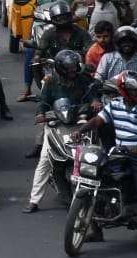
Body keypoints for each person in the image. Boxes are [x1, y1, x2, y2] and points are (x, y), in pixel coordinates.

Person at [70, 72, 137, 253]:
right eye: (135, 92)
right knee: (97, 181)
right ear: (124, 92)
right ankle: (96, 231)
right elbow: (97, 120)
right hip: (119, 153)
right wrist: (80, 131)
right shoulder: (114, 105)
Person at [24, 48, 97, 212]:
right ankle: (34, 201)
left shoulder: (83, 78)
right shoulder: (51, 82)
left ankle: (96, 195)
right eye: (70, 68)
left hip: (79, 122)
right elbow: (43, 101)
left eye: (75, 67)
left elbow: (92, 92)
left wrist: (94, 102)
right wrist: (40, 114)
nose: (73, 70)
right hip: (56, 124)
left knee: (93, 155)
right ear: (61, 69)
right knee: (44, 162)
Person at [15, 0, 83, 99]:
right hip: (41, 24)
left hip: (65, 25)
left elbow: (81, 2)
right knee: (30, 52)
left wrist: (75, 13)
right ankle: (27, 88)